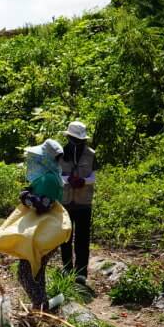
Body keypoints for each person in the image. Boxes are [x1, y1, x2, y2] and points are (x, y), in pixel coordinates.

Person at [16, 139, 64, 311]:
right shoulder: (51, 176)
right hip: (44, 232)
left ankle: (39, 308)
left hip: (43, 233)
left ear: (46, 159)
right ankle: (42, 309)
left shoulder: (49, 179)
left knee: (25, 273)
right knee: (36, 272)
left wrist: (25, 197)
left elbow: (44, 205)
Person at [59, 121, 98, 285]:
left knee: (82, 238)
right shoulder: (60, 153)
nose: (76, 142)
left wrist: (83, 181)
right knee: (65, 238)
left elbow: (93, 178)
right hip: (65, 202)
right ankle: (67, 268)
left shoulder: (91, 154)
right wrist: (69, 179)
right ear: (68, 137)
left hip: (83, 203)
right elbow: (57, 175)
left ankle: (81, 272)